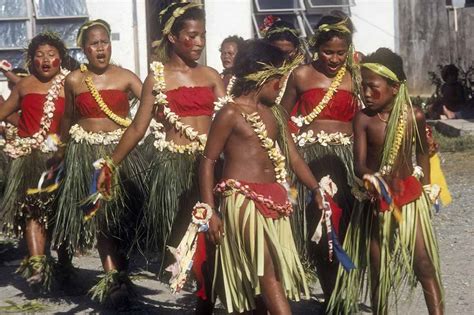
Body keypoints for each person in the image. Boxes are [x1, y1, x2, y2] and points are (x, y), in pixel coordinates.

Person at [96, 2, 225, 311]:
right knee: (189, 240)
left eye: (202, 36)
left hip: (212, 167)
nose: (198, 43)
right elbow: (138, 127)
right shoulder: (158, 78)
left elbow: (230, 118)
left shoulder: (211, 75)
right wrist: (111, 164)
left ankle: (207, 304)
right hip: (175, 172)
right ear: (173, 37)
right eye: (191, 36)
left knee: (215, 241)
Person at [200, 39, 324, 314]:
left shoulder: (275, 114)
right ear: (262, 77)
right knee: (269, 274)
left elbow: (292, 157)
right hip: (242, 201)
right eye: (278, 80)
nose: (281, 87)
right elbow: (208, 161)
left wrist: (315, 188)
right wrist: (210, 210)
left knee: (261, 280)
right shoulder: (230, 113)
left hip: (274, 200)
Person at [330, 48, 443, 314]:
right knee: (378, 267)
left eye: (373, 87)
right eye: (363, 87)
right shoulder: (363, 119)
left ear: (394, 87)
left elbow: (422, 154)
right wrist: (370, 177)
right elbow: (359, 163)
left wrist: (427, 188)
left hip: (409, 198)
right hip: (375, 201)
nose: (366, 94)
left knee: (424, 264)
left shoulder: (412, 115)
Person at [51, 19, 146, 308]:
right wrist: (60, 152)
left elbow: (154, 105)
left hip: (121, 153)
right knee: (102, 219)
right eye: (94, 43)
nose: (100, 48)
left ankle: (122, 270)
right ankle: (112, 279)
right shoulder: (74, 81)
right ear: (84, 49)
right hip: (86, 156)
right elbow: (67, 119)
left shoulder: (127, 77)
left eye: (104, 41)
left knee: (124, 217)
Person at [280, 14, 361, 304]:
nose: (334, 59)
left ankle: (343, 291)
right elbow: (281, 118)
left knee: (345, 224)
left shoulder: (356, 76)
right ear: (316, 47)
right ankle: (330, 295)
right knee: (320, 226)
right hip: (311, 161)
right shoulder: (301, 75)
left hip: (346, 162)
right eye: (328, 51)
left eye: (341, 52)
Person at [0, 33, 74, 292]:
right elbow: (4, 113)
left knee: (63, 212)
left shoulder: (71, 83)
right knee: (33, 212)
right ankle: (38, 268)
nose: (45, 60)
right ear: (31, 60)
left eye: (51, 55)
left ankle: (65, 264)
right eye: (39, 55)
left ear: (60, 58)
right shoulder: (23, 85)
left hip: (61, 156)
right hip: (30, 158)